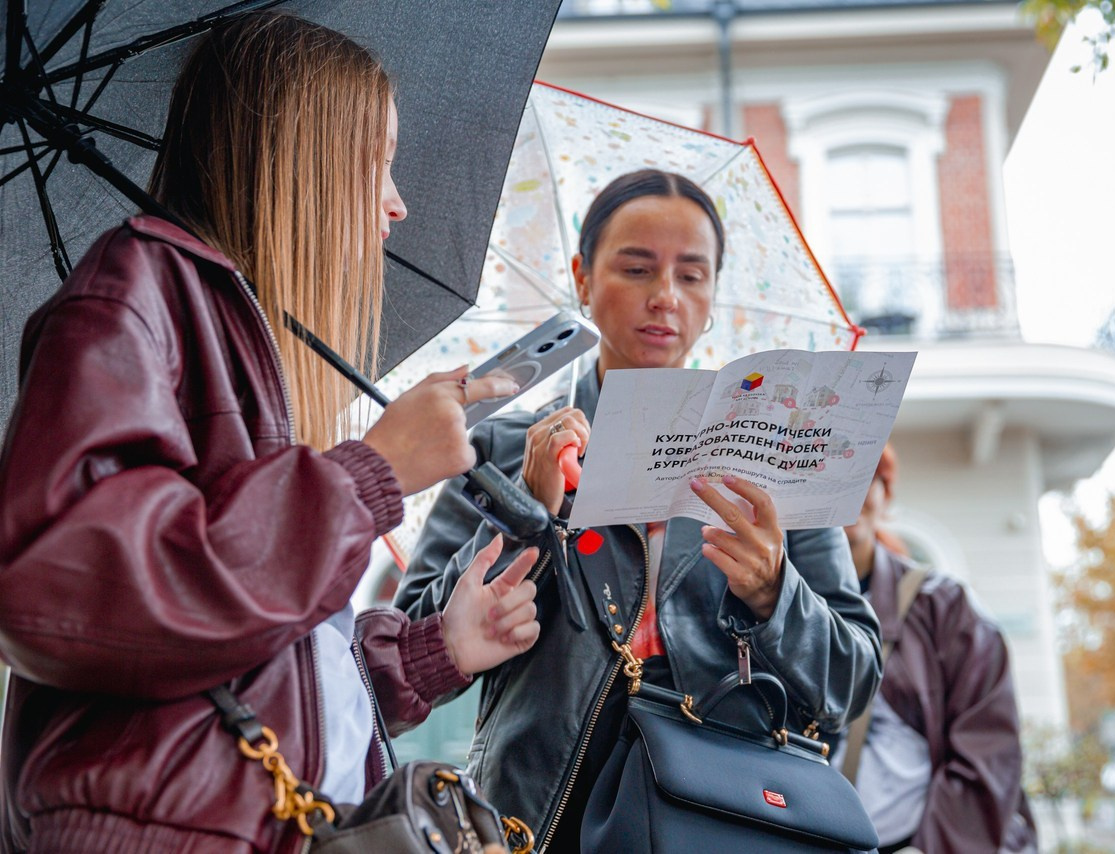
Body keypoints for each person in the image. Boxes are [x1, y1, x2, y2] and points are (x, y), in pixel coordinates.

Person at [0, 13, 541, 853]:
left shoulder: (244, 339)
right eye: (377, 165)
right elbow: (67, 593)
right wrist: (370, 475)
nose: (398, 203)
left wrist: (433, 653)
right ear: (298, 157)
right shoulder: (132, 299)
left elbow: (260, 652)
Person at [395, 168, 883, 852]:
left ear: (712, 296)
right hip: (536, 819)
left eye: (692, 275)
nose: (665, 298)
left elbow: (853, 680)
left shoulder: (774, 452)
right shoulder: (500, 449)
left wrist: (776, 593)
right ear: (584, 278)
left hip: (717, 820)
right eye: (636, 268)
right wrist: (524, 514)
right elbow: (413, 652)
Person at [839, 443, 1038, 853]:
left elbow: (987, 755)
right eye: (831, 479)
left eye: (864, 477)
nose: (850, 492)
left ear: (885, 493)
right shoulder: (771, 605)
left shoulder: (945, 606)